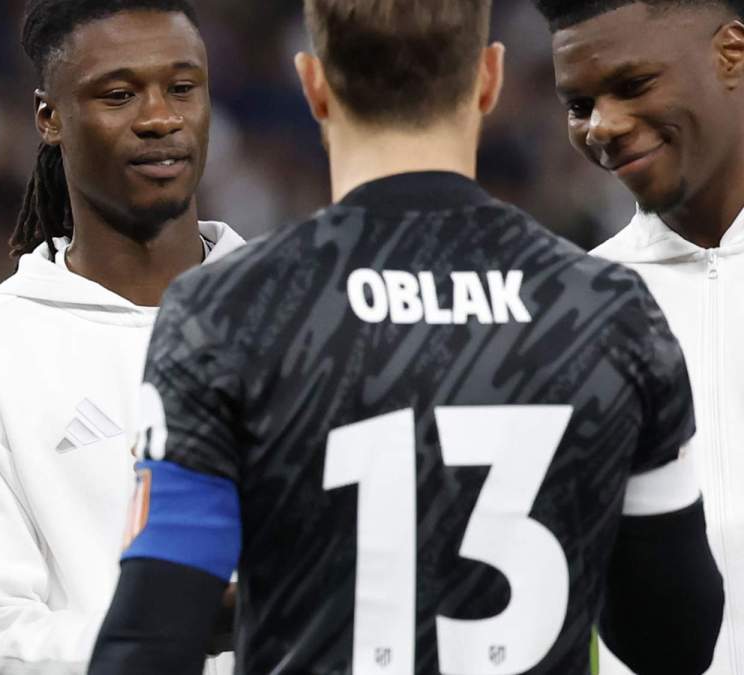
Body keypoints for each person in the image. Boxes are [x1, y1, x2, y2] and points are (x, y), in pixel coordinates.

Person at [89, 0, 725, 673]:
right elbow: (675, 639)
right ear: (489, 79)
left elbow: (148, 643)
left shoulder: (226, 311)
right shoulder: (608, 312)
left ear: (313, 85)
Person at [0, 1, 244, 673]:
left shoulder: (302, 317)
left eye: (183, 87)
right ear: (49, 117)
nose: (159, 118)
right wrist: (171, 631)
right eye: (119, 94)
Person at [534, 1, 744, 672]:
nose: (604, 126)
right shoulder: (569, 311)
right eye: (578, 104)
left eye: (633, 85)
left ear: (732, 53)